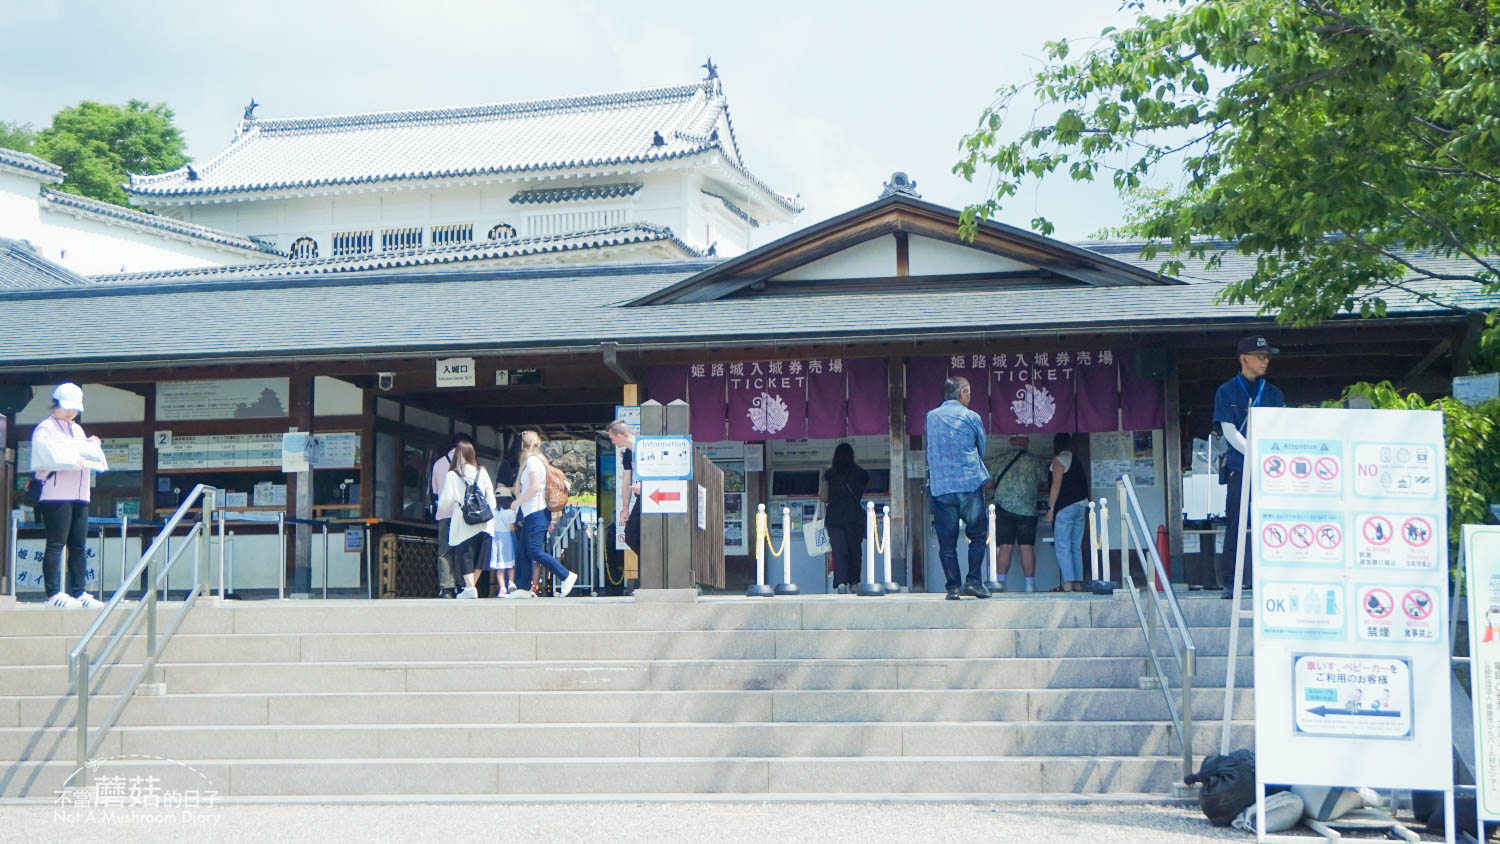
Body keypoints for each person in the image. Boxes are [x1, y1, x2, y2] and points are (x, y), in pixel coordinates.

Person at [1213, 335, 1286, 598]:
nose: (1266, 361)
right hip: (1240, 468)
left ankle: (1272, 579)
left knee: (1272, 524)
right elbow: (1229, 431)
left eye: (1268, 356)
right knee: (1236, 525)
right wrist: (1258, 454)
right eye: (1261, 355)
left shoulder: (1275, 393)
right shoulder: (1226, 391)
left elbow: (1283, 429)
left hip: (1272, 471)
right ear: (1244, 358)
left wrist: (1269, 457)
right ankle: (1230, 583)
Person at [30, 383, 104, 609]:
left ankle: (79, 591)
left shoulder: (77, 430)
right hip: (55, 494)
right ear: (56, 404)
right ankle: (53, 594)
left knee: (79, 544)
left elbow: (81, 454)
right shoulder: (45, 428)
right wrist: (75, 457)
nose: (71, 412)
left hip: (80, 493)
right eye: (67, 407)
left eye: (75, 409)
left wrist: (92, 446)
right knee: (56, 544)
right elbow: (46, 456)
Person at [924, 376, 993, 600]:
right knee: (978, 535)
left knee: (947, 542)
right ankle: (973, 582)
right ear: (962, 392)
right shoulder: (971, 417)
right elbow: (981, 447)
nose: (970, 397)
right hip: (968, 484)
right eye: (969, 392)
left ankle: (953, 588)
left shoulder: (931, 417)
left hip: (942, 487)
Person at [510, 430, 579, 598]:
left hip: (536, 512)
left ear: (522, 445)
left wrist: (517, 502)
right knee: (524, 551)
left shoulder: (532, 461)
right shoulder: (537, 460)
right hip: (532, 513)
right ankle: (524, 588)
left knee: (533, 550)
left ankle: (566, 575)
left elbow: (534, 487)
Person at [435, 440, 496, 600]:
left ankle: (469, 587)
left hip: (464, 521)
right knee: (480, 557)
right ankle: (471, 587)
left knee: (465, 554)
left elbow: (444, 502)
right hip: (484, 522)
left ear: (458, 455)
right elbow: (492, 501)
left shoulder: (453, 475)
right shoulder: (482, 472)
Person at [992, 434, 1048, 593]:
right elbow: (1045, 483)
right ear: (1027, 442)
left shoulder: (999, 460)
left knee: (1005, 546)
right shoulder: (1035, 461)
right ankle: (1029, 584)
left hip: (1004, 508)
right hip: (1027, 509)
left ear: (1011, 441)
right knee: (1026, 547)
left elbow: (988, 483)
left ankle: (1001, 583)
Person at [1043, 433, 1090, 592]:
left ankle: (1067, 584)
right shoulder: (1076, 459)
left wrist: (1051, 509)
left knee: (1063, 546)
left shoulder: (1059, 460)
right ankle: (1077, 583)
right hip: (1081, 505)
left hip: (1065, 507)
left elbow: (1055, 486)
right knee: (1075, 546)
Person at [821, 443, 869, 593]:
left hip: (834, 518)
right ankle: (854, 582)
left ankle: (841, 583)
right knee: (855, 550)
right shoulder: (861, 473)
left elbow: (823, 497)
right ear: (852, 456)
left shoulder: (829, 475)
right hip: (854, 517)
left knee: (839, 550)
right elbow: (863, 490)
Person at [429, 434, 472, 598]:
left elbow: (434, 491)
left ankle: (447, 587)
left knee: (444, 552)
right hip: (462, 515)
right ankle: (463, 585)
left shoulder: (438, 464)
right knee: (462, 550)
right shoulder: (468, 465)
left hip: (444, 513)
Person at [605, 420, 641, 556]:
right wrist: (625, 508)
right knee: (631, 535)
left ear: (619, 436)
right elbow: (626, 481)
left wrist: (646, 485)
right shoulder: (628, 453)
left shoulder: (644, 447)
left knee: (634, 533)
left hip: (654, 496)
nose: (612, 442)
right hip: (641, 497)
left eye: (612, 438)